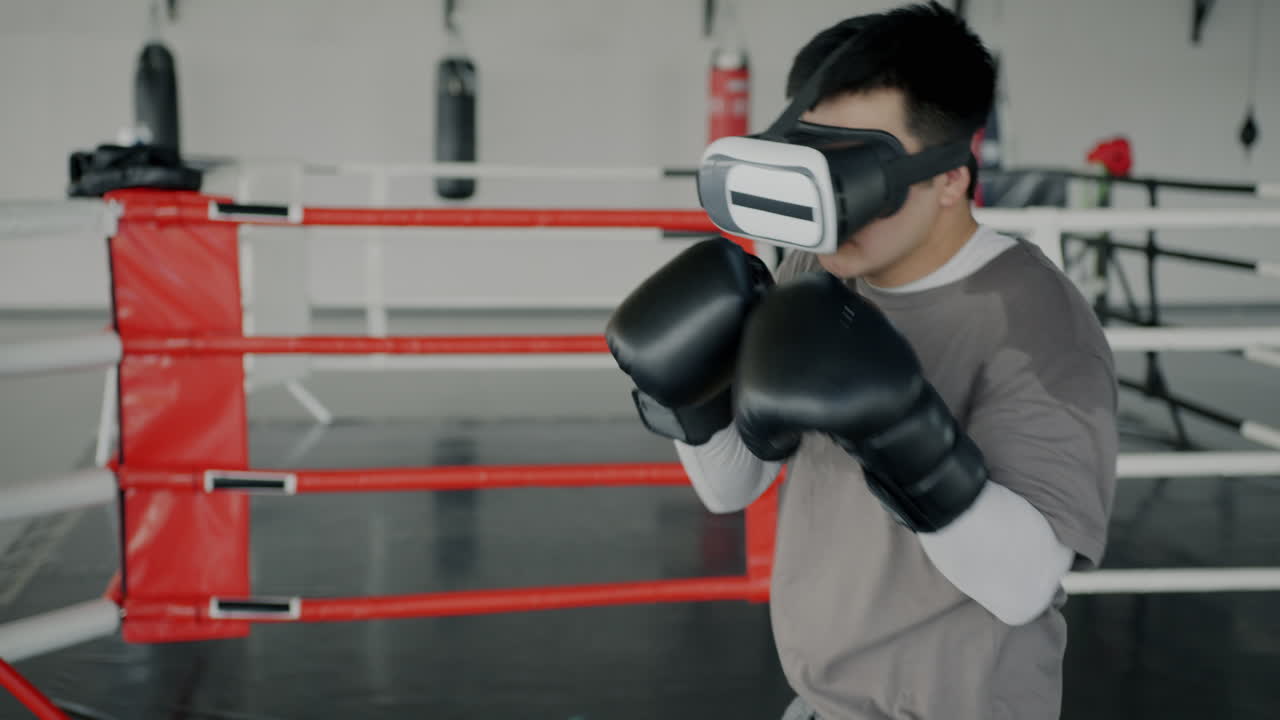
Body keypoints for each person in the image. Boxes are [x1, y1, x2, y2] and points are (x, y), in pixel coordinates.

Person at [605, 3, 1119, 719]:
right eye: (816, 158)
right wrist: (684, 395)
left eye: (856, 172)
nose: (830, 207)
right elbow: (733, 486)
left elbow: (1025, 585)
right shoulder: (813, 266)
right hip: (818, 706)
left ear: (951, 177)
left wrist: (899, 432)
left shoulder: (1038, 323)